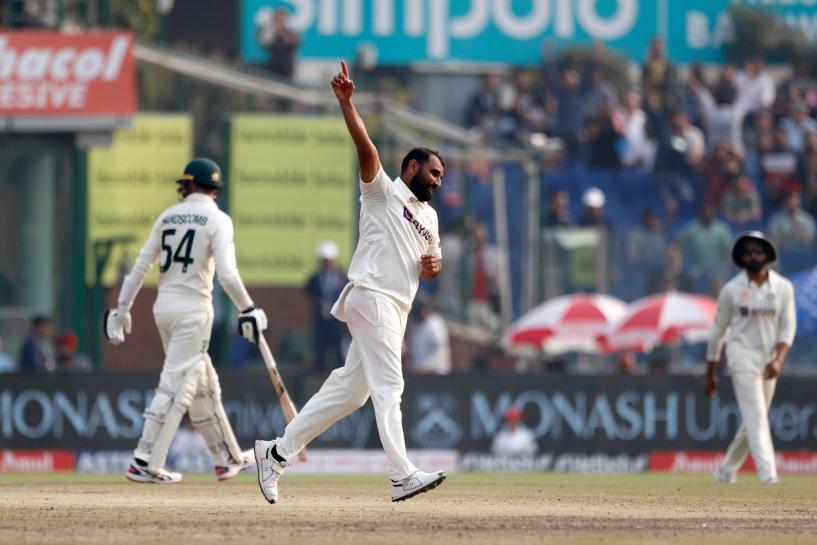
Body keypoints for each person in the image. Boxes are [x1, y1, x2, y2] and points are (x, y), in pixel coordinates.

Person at [255, 61, 447, 504]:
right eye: (433, 173)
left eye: (440, 178)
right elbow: (367, 149)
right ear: (412, 166)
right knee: (390, 389)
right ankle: (402, 475)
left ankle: (276, 453)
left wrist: (434, 265)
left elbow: (430, 268)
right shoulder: (382, 192)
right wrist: (347, 104)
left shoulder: (431, 217)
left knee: (350, 392)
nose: (437, 182)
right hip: (372, 297)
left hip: (395, 309)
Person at [104, 158, 267, 484]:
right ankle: (144, 460)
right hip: (194, 314)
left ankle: (226, 458)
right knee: (176, 385)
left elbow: (140, 267)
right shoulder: (218, 220)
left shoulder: (167, 216)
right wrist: (248, 308)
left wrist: (121, 308)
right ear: (215, 192)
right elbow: (227, 274)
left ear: (188, 185)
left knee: (203, 385)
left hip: (164, 310)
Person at [704, 232, 796, 484]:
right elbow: (718, 332)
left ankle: (725, 470)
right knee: (756, 416)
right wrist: (710, 371)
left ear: (767, 255)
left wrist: (778, 360)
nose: (753, 256)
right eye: (748, 252)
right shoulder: (731, 290)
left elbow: (787, 329)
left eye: (758, 251)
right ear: (741, 258)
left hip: (768, 360)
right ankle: (769, 476)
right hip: (741, 356)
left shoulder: (783, 288)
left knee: (755, 419)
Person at [304, 240, 348, 372]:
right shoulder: (315, 278)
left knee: (339, 353)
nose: (327, 263)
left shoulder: (341, 278)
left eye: (329, 260)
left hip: (337, 320)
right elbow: (308, 293)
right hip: (320, 321)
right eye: (324, 260)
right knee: (320, 351)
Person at [408, 301, 451, 375]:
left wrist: (426, 366)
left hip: (435, 372)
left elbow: (439, 347)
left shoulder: (434, 322)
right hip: (420, 371)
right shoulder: (418, 324)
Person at [258, 8, 300, 79]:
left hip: (286, 67)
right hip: (272, 67)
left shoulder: (291, 32)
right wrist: (273, 31)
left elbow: (293, 42)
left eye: (281, 19)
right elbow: (266, 44)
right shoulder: (270, 31)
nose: (279, 21)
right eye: (277, 18)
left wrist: (282, 30)